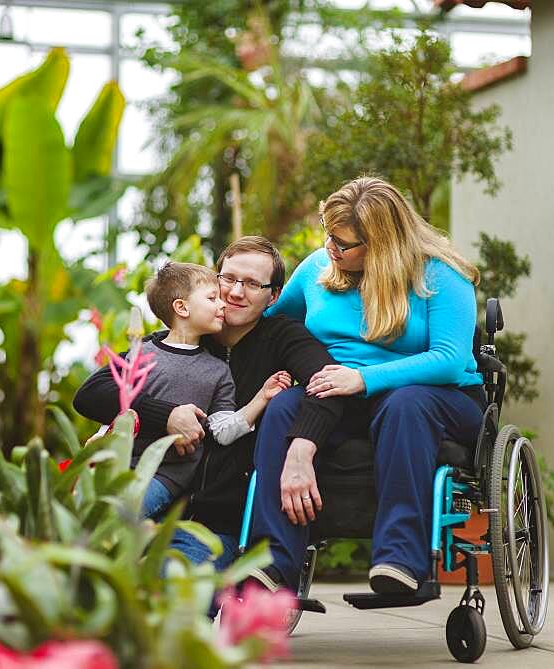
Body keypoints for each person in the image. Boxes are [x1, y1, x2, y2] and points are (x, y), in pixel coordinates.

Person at [249, 176, 486, 595]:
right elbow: (272, 328)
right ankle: (273, 563)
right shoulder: (317, 271)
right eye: (329, 237)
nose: (331, 250)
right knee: (286, 406)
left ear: (382, 244)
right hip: (342, 397)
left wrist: (364, 378)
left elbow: (449, 360)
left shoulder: (441, 276)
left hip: (439, 398)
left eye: (343, 244)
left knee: (406, 405)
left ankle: (400, 560)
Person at [73, 237, 345, 565]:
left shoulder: (283, 339)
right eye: (228, 278)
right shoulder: (178, 340)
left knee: (176, 590)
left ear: (273, 296)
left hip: (218, 525)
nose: (234, 292)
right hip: (152, 500)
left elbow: (329, 385)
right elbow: (92, 393)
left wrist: (302, 448)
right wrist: (168, 415)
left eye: (252, 284)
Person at [93, 261, 292, 520]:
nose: (223, 305)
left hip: (164, 476)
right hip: (117, 464)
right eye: (213, 298)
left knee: (115, 517)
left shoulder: (217, 371)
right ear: (182, 307)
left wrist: (261, 397)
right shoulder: (142, 353)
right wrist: (100, 436)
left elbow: (222, 431)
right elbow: (120, 403)